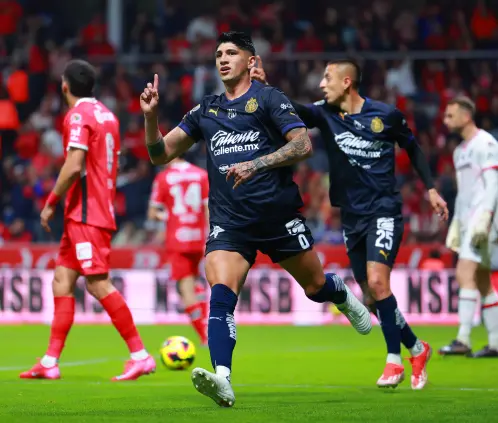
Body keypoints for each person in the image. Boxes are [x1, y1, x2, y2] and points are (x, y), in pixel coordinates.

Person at [140, 32, 372, 407]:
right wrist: (151, 120)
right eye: (218, 54)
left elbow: (302, 144)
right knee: (220, 295)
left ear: (251, 61)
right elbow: (159, 154)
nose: (222, 59)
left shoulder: (269, 98)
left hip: (277, 216)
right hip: (230, 224)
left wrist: (257, 163)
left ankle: (340, 292)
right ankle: (223, 377)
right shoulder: (205, 110)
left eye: (231, 52)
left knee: (315, 288)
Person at [251, 57, 449, 390]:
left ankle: (393, 361)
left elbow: (413, 148)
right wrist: (266, 87)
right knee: (371, 298)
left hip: (383, 210)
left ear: (346, 82)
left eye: (327, 78)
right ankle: (417, 347)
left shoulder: (386, 115)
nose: (321, 84)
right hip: (352, 217)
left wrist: (430, 188)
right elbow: (294, 109)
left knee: (378, 282)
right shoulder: (325, 113)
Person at [20, 59, 156, 381]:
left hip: (87, 213)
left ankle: (140, 355)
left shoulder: (77, 115)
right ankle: (50, 361)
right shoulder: (108, 114)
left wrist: (51, 202)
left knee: (97, 283)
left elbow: (74, 164)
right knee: (62, 281)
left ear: (64, 85)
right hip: (88, 211)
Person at [440, 96, 498, 358]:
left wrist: (485, 217)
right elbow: (465, 194)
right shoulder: (460, 151)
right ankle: (495, 342)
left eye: (450, 115)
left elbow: (493, 183)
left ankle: (463, 337)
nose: (445, 120)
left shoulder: (485, 143)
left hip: (485, 220)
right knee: (484, 281)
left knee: (465, 272)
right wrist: (457, 225)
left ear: (466, 116)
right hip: (469, 220)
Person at [148, 157, 210, 345]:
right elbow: (208, 208)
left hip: (177, 238)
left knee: (185, 287)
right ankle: (207, 323)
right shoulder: (202, 175)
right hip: (198, 236)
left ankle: (204, 335)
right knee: (196, 281)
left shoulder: (163, 178)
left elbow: (153, 213)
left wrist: (168, 215)